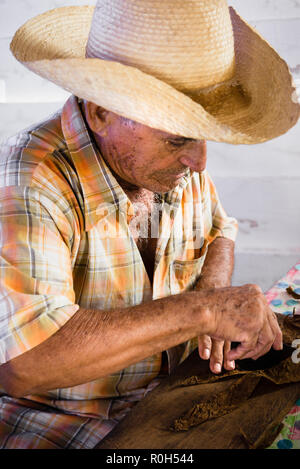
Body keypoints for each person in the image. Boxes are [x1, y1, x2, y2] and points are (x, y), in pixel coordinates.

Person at [0, 0, 298, 450]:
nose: (199, 161)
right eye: (179, 138)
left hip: (164, 399)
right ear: (101, 111)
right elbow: (25, 363)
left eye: (203, 135)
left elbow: (220, 231)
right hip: (56, 420)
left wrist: (209, 302)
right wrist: (206, 311)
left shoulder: (169, 167)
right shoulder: (30, 181)